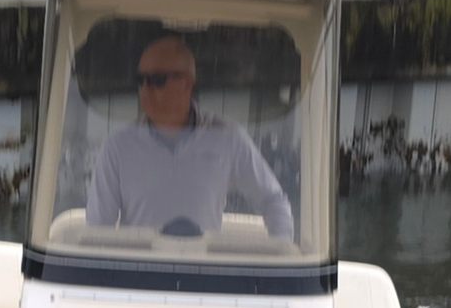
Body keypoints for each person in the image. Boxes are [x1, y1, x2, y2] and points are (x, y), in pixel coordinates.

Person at [85, 35, 295, 238]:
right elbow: (97, 227)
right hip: (139, 263)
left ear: (187, 83)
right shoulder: (118, 147)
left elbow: (273, 200)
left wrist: (281, 250)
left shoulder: (227, 138)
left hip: (203, 263)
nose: (145, 89)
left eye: (157, 80)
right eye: (140, 80)